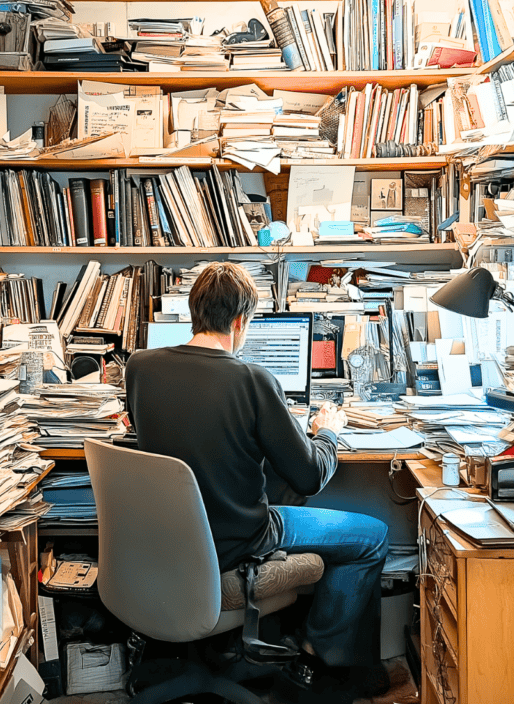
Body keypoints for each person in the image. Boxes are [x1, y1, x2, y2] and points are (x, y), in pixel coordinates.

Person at [125, 262, 390, 702]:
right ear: (239, 322)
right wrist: (327, 432)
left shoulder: (140, 367)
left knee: (277, 488)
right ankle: (319, 656)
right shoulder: (253, 379)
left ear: (194, 311)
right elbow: (310, 474)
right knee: (373, 536)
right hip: (239, 542)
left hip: (166, 539)